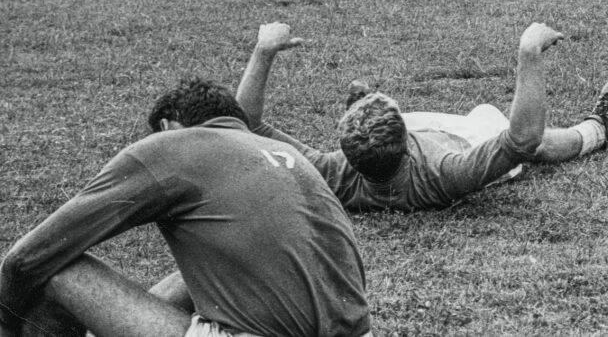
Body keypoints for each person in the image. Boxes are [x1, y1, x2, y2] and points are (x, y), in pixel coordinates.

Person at [0, 78, 372, 337]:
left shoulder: (172, 145)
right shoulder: (289, 154)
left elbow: (25, 259)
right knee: (195, 273)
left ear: (167, 125)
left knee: (57, 267)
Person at [234, 21, 608, 212]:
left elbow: (246, 125)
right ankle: (596, 131)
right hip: (463, 139)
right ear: (406, 141)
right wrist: (529, 53)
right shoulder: (444, 174)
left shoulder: (335, 173)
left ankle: (365, 109)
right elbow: (521, 140)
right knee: (517, 135)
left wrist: (263, 50)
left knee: (380, 120)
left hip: (404, 141)